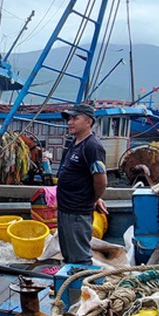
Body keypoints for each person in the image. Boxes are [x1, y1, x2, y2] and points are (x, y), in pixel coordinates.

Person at [56, 103, 107, 266]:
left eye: (75, 118)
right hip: (65, 208)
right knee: (68, 253)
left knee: (79, 257)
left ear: (88, 122)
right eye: (69, 119)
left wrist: (94, 198)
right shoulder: (75, 143)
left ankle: (80, 288)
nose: (70, 122)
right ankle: (68, 285)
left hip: (77, 211)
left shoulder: (92, 146)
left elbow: (101, 179)